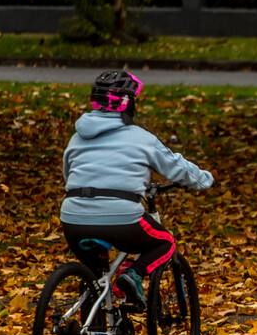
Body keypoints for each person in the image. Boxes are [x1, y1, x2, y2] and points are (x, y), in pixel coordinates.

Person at [60, 70, 213, 311]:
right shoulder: (142, 138)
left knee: (95, 277)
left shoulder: (76, 138)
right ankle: (133, 275)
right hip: (121, 218)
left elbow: (68, 176)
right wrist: (204, 180)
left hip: (72, 219)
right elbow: (176, 167)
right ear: (128, 104)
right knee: (165, 243)